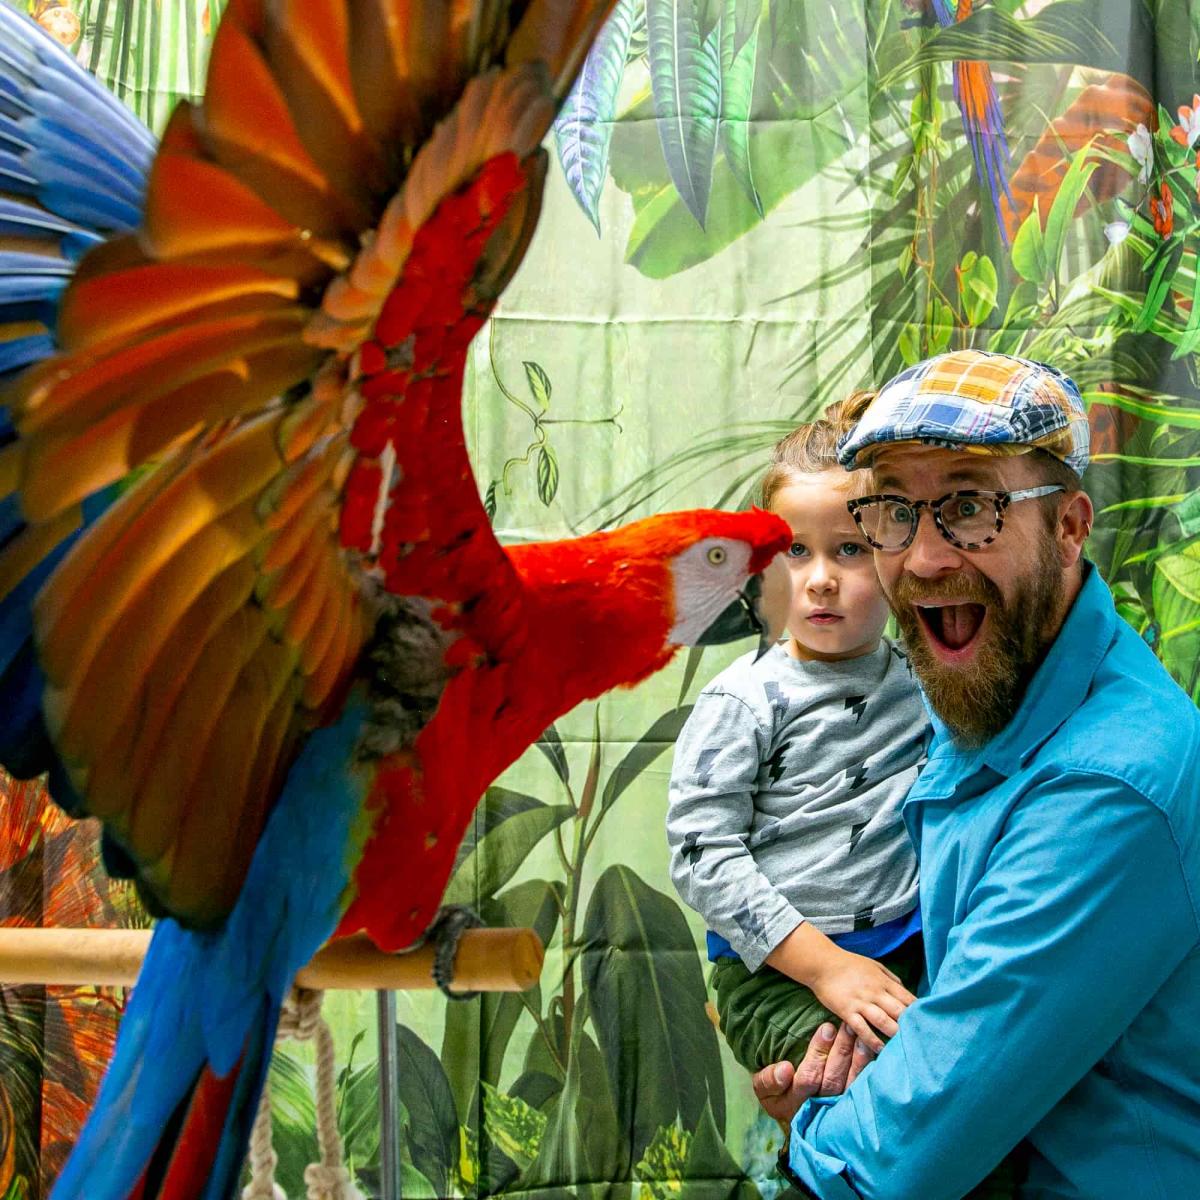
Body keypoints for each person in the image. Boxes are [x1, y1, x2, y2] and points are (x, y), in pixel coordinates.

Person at [753, 350, 1200, 1200]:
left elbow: (895, 1160)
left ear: (1070, 527)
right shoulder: (982, 683)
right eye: (889, 509)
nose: (921, 559)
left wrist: (815, 1125)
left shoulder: (1110, 785)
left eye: (968, 506)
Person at [665, 405, 928, 1070]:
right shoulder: (742, 699)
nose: (820, 579)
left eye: (850, 550)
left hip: (913, 949)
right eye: (795, 551)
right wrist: (826, 968)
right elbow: (702, 857)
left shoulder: (926, 681)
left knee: (975, 1073)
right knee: (865, 1080)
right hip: (776, 973)